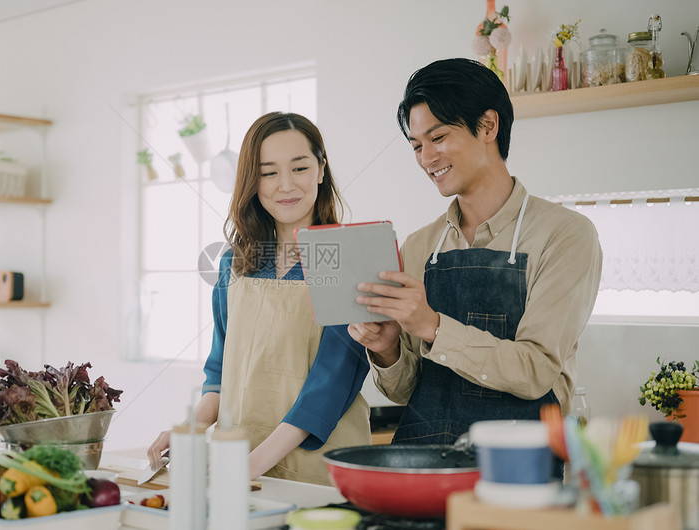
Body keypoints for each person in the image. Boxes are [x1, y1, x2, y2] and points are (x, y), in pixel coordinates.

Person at [349, 58, 602, 444]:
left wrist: (432, 326)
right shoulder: (420, 246)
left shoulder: (564, 235)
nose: (426, 158)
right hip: (423, 465)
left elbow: (535, 370)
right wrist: (386, 350)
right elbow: (406, 392)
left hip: (517, 467)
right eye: (417, 146)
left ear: (488, 125)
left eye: (438, 138)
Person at [148, 112, 371, 485]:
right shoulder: (233, 263)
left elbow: (330, 384)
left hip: (314, 468)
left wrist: (250, 466)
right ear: (253, 181)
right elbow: (220, 371)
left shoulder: (348, 259)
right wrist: (188, 430)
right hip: (235, 458)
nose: (286, 185)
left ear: (321, 169)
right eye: (268, 173)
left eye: (299, 168)